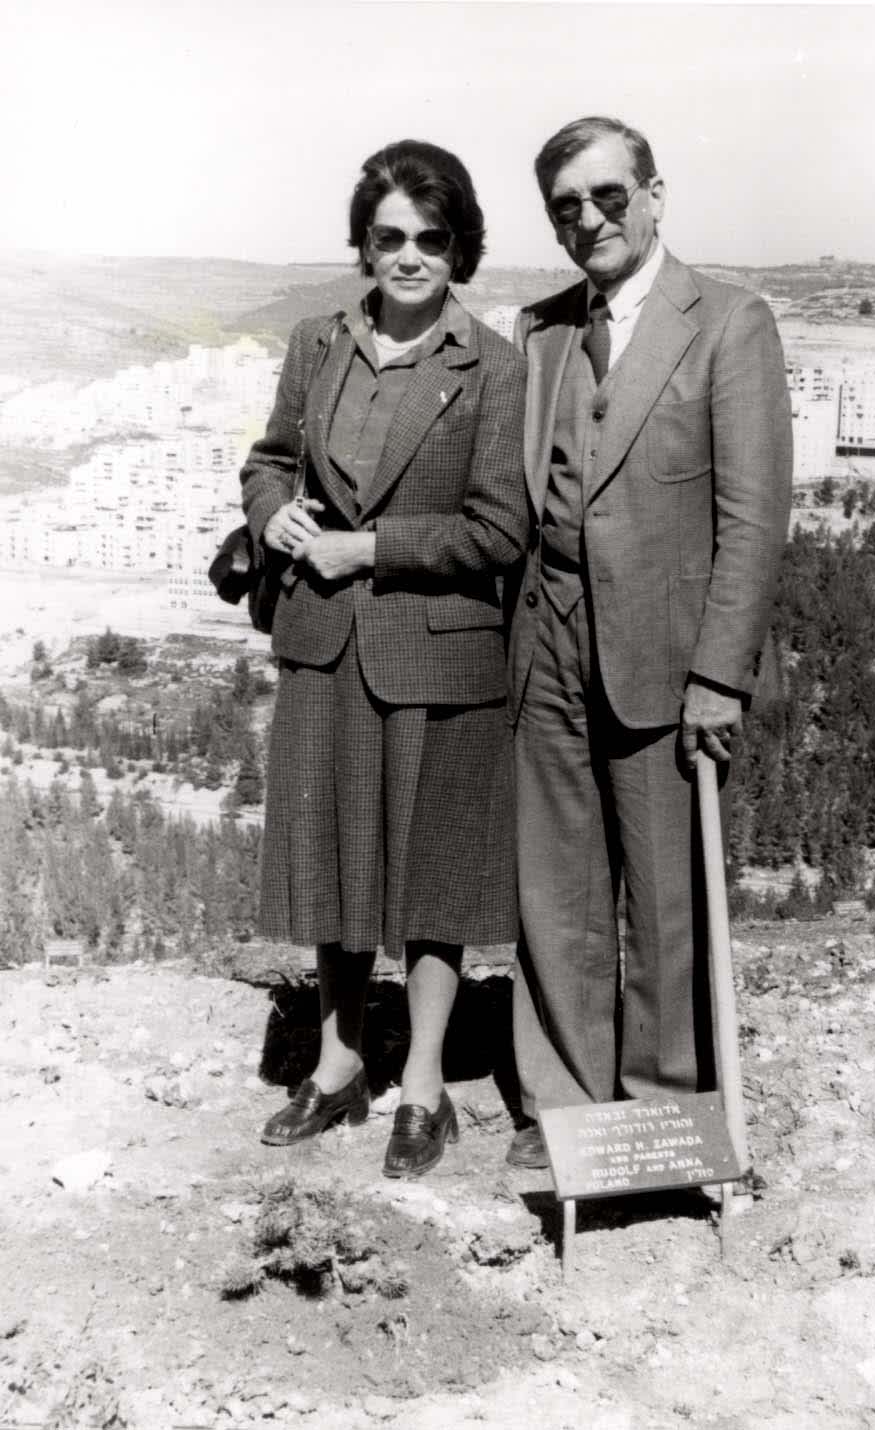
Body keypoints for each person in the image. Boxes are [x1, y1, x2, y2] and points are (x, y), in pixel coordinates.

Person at [505, 116, 792, 1168]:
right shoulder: (540, 333)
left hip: (669, 665)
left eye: (608, 197)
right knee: (556, 888)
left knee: (666, 897)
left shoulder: (726, 320)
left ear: (656, 196)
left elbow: (754, 515)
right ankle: (567, 1110)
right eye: (566, 207)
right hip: (547, 654)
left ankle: (665, 1113)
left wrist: (718, 673)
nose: (589, 220)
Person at [239, 140, 527, 1178]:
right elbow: (270, 459)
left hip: (443, 657)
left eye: (431, 238)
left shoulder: (494, 366)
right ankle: (337, 1063)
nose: (409, 256)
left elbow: (499, 529)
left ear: (461, 247)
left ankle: (426, 1086)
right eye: (389, 236)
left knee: (433, 880)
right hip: (323, 643)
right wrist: (272, 515)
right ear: (363, 241)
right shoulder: (317, 344)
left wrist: (375, 546)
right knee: (335, 868)